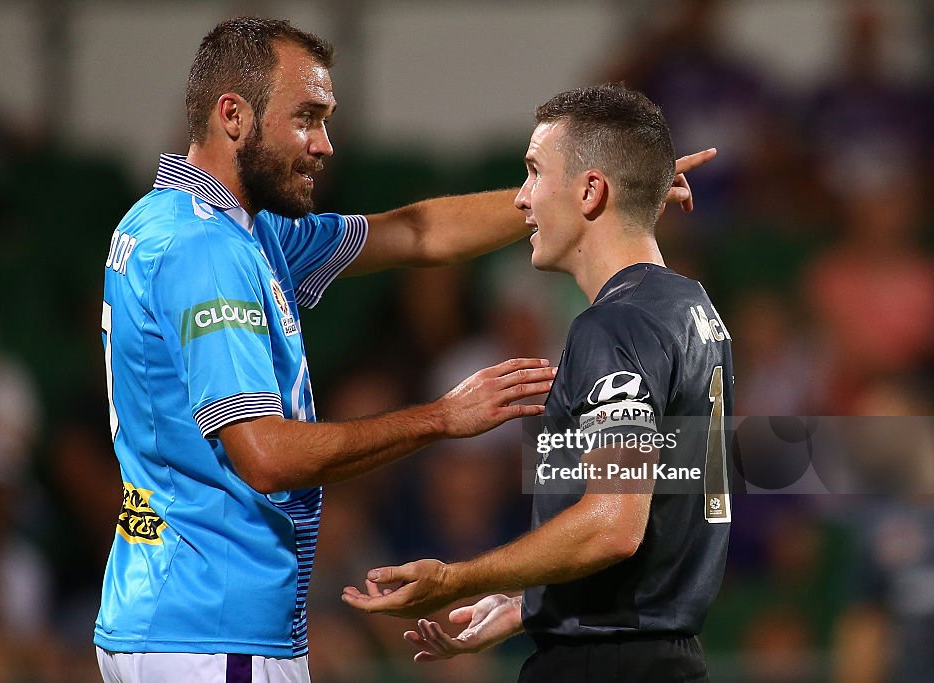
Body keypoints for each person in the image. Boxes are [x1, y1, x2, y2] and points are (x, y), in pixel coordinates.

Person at [96, 17, 711, 683]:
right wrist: (441, 418)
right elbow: (266, 456)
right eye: (306, 117)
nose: (324, 144)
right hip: (209, 623)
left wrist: (602, 187)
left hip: (179, 608)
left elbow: (418, 232)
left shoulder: (224, 230)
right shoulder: (207, 251)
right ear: (233, 115)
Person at [342, 84, 734, 683]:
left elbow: (612, 525)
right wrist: (534, 603)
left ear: (590, 190)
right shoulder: (693, 309)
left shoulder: (615, 326)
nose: (521, 200)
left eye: (532, 172)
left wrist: (457, 578)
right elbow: (663, 516)